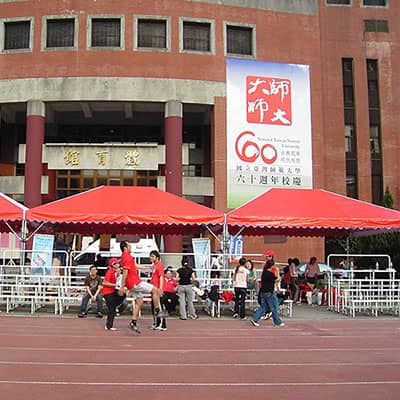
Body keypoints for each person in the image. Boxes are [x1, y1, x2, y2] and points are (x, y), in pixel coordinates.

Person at [118, 240, 165, 333]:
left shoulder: (126, 257)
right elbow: (125, 272)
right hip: (135, 282)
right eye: (129, 246)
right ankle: (157, 310)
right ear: (125, 248)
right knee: (155, 290)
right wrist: (122, 287)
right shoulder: (127, 257)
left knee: (139, 302)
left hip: (131, 284)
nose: (131, 247)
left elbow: (135, 266)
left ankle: (133, 322)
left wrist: (148, 267)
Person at [250, 258, 285, 328]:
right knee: (273, 307)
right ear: (272, 266)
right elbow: (277, 279)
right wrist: (277, 272)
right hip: (269, 292)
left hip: (263, 292)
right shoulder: (270, 274)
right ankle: (277, 322)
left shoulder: (264, 272)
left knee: (264, 306)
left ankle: (255, 319)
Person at [102, 258, 125, 331]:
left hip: (112, 291)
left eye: (118, 263)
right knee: (112, 310)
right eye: (117, 263)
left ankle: (115, 306)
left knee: (122, 294)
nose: (118, 264)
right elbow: (104, 282)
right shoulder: (110, 271)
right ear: (113, 265)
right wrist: (115, 285)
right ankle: (109, 326)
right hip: (107, 292)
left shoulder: (116, 272)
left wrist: (118, 275)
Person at [149, 250, 167, 331]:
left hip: (157, 289)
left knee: (159, 306)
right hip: (153, 289)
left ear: (157, 257)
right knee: (154, 306)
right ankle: (156, 322)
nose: (151, 258)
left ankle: (162, 324)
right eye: (150, 256)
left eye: (152, 256)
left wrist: (160, 288)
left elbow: (161, 277)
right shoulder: (154, 265)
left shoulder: (159, 265)